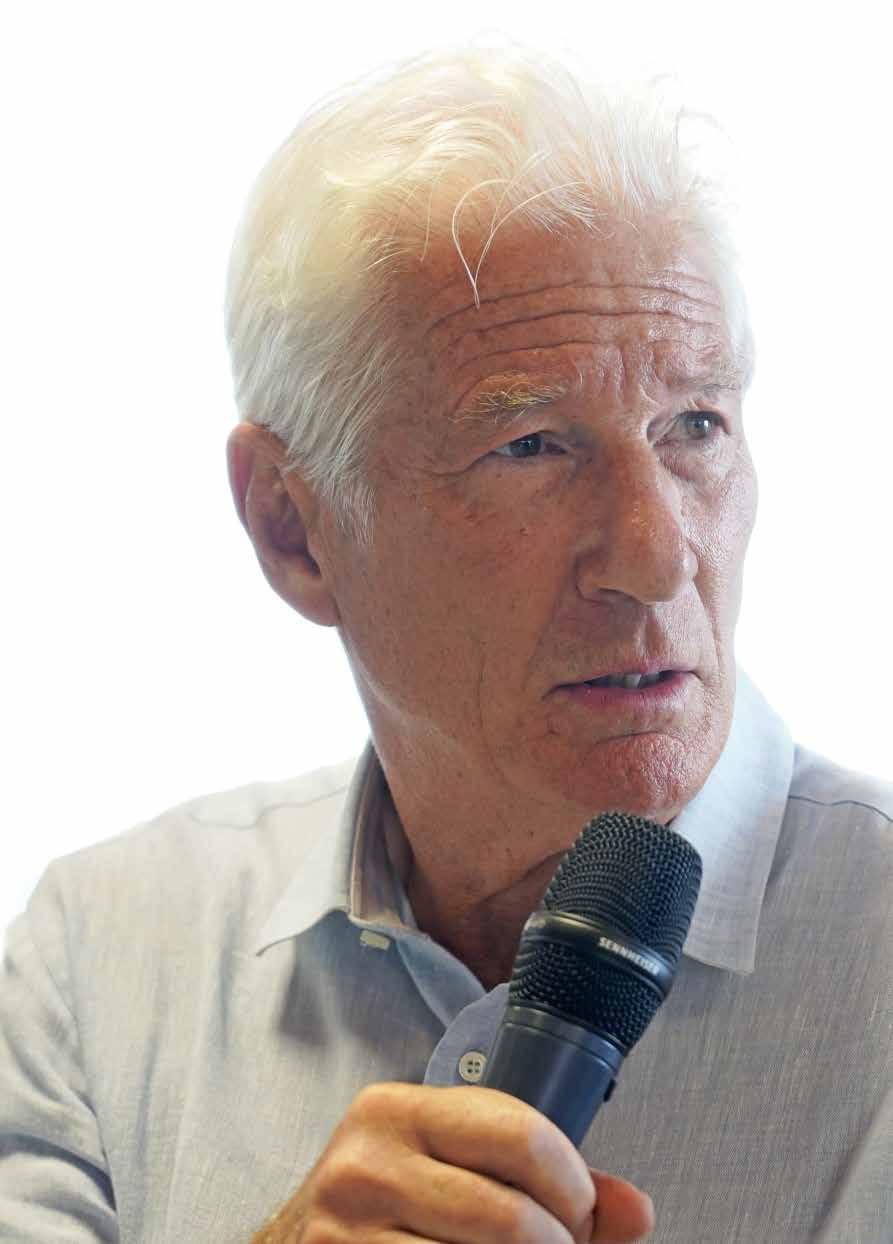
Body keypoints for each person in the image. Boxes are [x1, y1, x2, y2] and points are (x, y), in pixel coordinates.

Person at [1, 35, 891, 1244]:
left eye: (693, 424)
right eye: (529, 446)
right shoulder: (103, 954)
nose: (655, 554)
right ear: (292, 528)